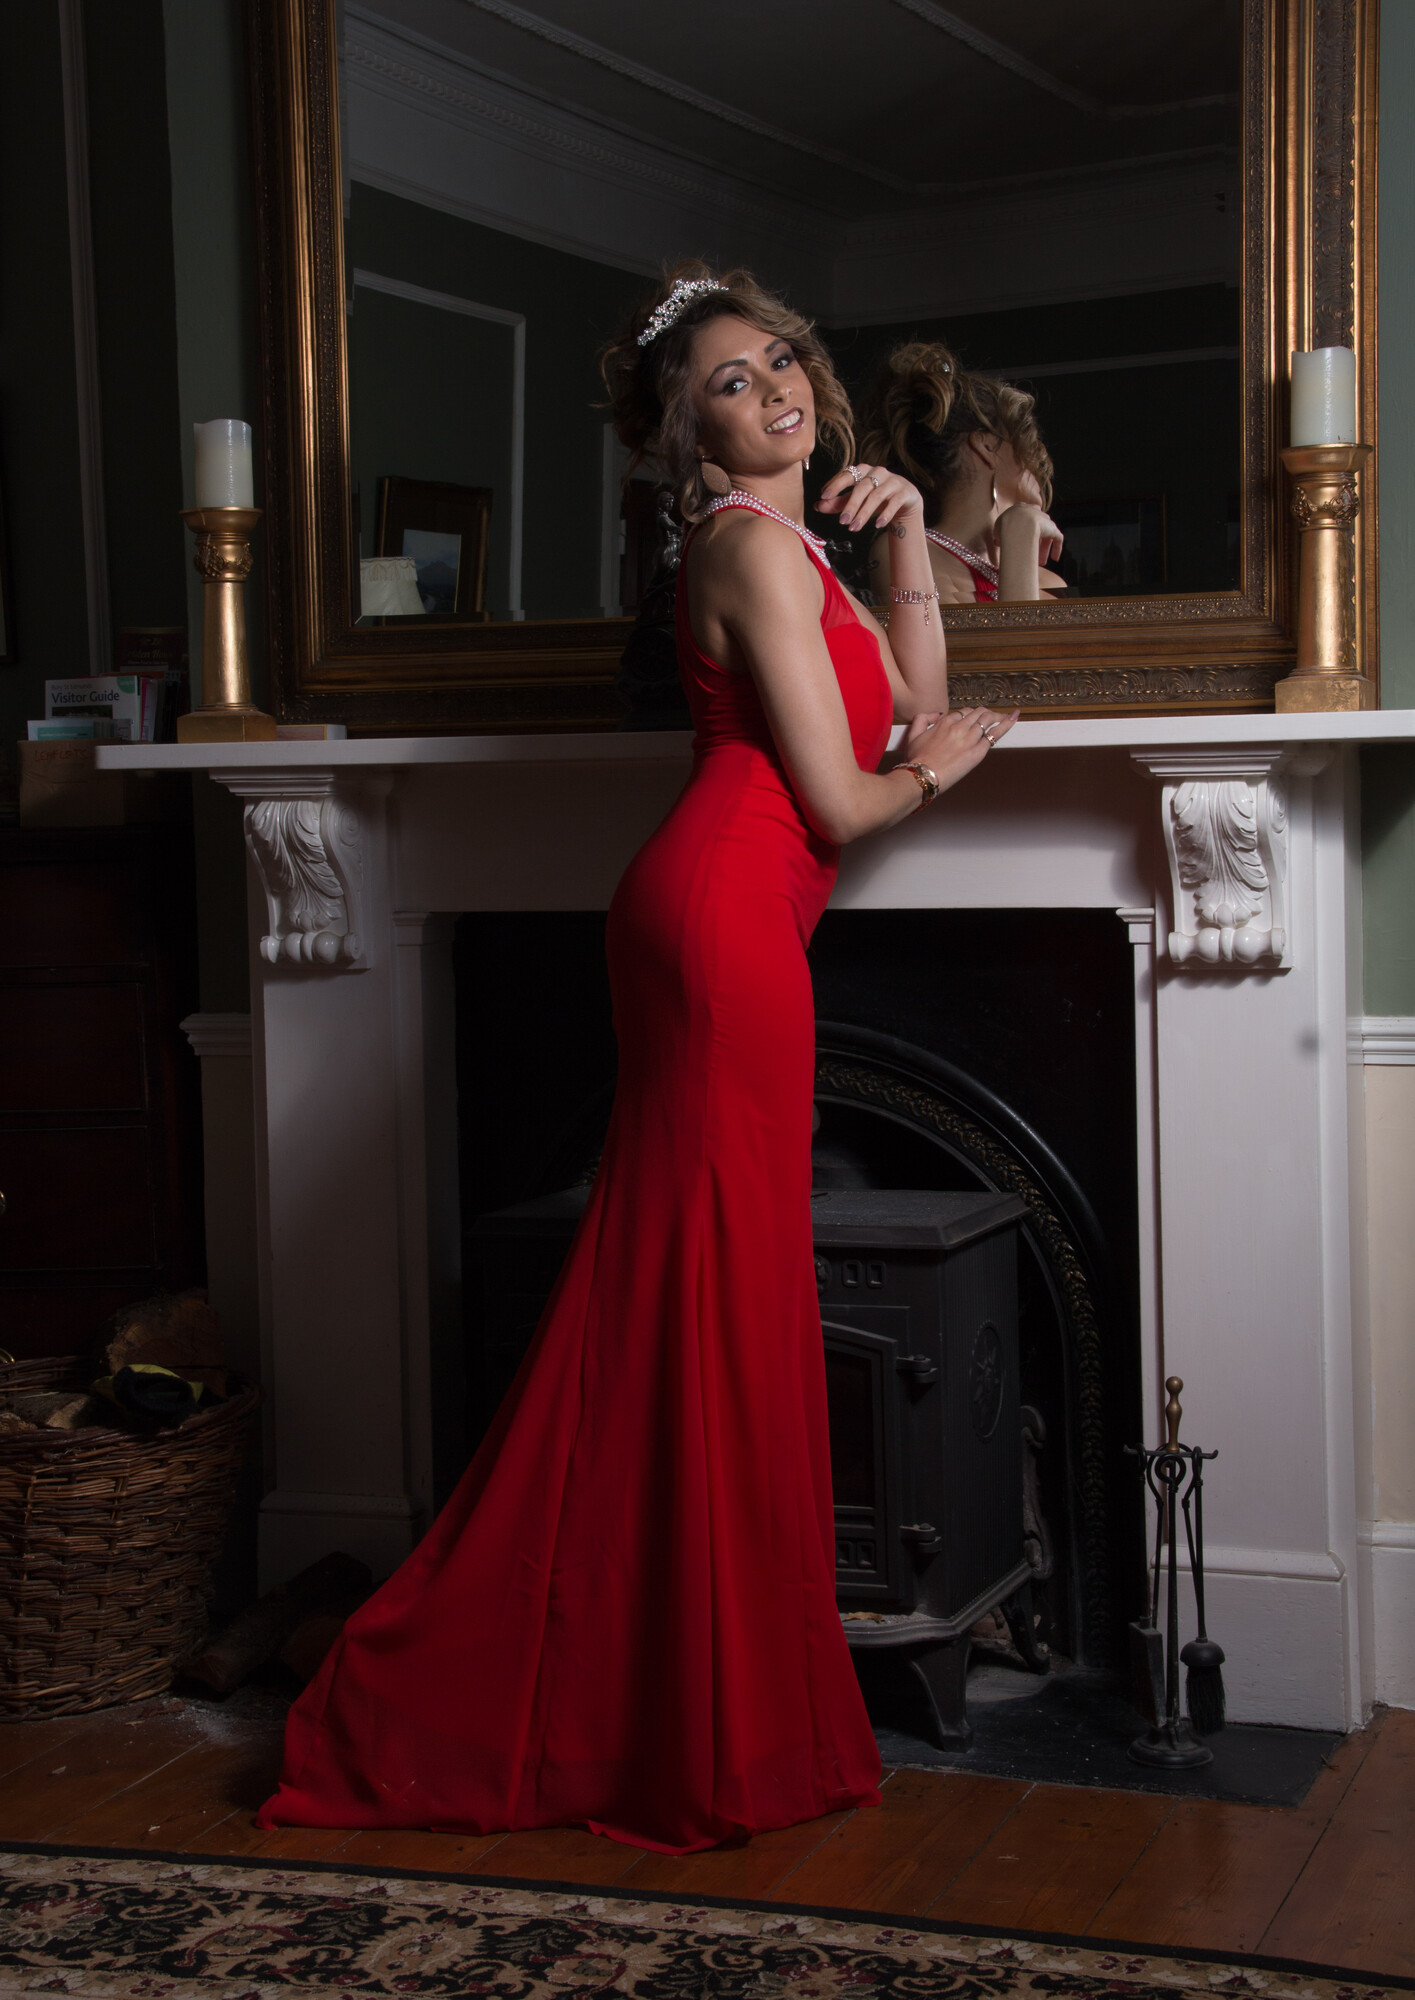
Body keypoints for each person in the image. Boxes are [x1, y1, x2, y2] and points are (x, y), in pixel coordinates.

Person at [255, 262, 1016, 1856]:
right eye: (731, 382)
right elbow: (852, 797)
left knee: (700, 1303)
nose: (775, 389)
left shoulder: (799, 550)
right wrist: (934, 777)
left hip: (731, 923)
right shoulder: (737, 547)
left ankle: (669, 1689)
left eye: (782, 360)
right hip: (715, 927)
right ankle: (621, 1701)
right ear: (686, 434)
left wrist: (902, 552)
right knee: (709, 1303)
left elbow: (910, 706)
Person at [863, 342, 1065, 607]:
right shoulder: (904, 550)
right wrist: (1019, 536)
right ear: (986, 446)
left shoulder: (1049, 581)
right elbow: (1018, 639)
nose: (1038, 462)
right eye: (1028, 443)